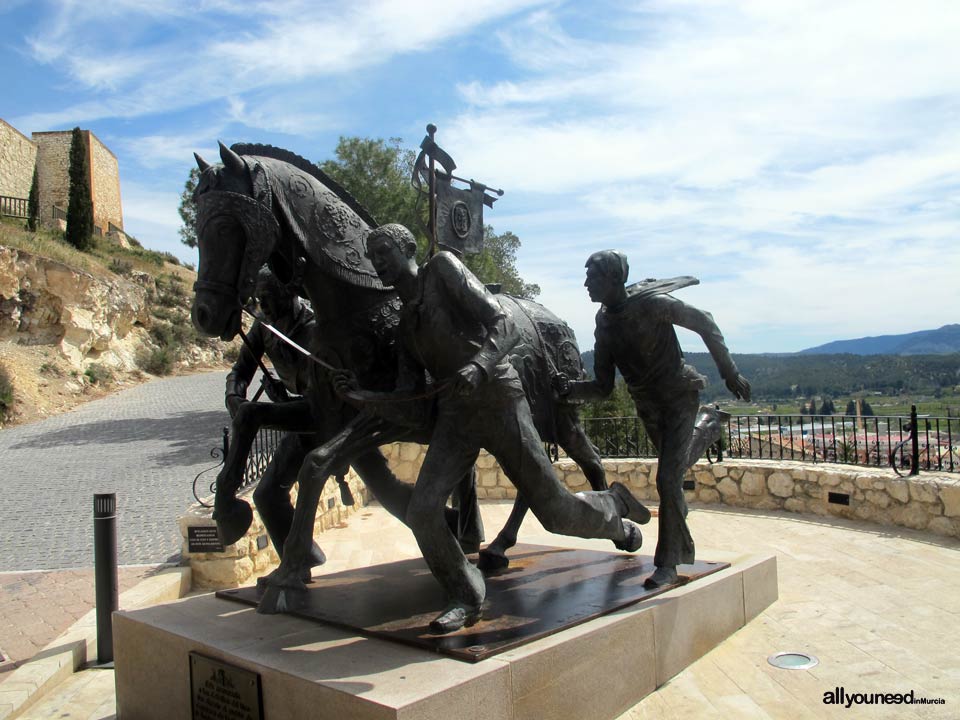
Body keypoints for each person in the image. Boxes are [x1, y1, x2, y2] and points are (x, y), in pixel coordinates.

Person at [335, 225, 650, 634]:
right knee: (423, 510)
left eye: (383, 251)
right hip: (455, 416)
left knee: (555, 513)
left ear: (407, 248)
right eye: (371, 255)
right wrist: (360, 398)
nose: (377, 261)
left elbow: (504, 323)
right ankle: (465, 595)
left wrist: (479, 364)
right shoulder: (405, 327)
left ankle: (615, 511)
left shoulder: (443, 270)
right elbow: (409, 403)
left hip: (499, 398)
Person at [558, 250, 751, 589]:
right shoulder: (604, 322)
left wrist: (729, 372)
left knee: (666, 480)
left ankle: (668, 565)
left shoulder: (652, 304)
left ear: (614, 278)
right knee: (672, 475)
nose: (586, 284)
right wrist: (567, 389)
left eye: (593, 277)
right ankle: (708, 427)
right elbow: (603, 387)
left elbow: (704, 321)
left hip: (678, 396)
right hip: (646, 404)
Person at [221, 265, 327, 569]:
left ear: (288, 294)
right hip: (301, 417)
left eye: (267, 297)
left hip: (326, 416)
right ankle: (302, 559)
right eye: (257, 298)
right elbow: (239, 372)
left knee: (388, 490)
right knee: (267, 495)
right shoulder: (264, 327)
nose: (262, 305)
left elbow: (323, 389)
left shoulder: (315, 325)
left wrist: (281, 401)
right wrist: (234, 398)